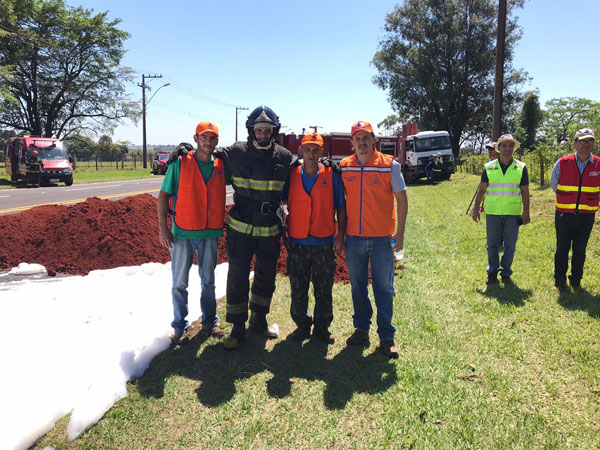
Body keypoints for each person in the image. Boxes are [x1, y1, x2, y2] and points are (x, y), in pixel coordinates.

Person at [215, 106, 297, 350]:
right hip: (240, 231)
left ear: (274, 132)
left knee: (266, 277)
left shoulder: (284, 157)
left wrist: (325, 163)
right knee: (238, 277)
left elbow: (305, 168)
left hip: (269, 232)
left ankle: (259, 320)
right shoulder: (235, 152)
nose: (262, 134)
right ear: (252, 131)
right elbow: (206, 156)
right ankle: (237, 327)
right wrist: (185, 152)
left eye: (267, 130)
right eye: (259, 130)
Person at [157, 121, 230, 346]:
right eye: (204, 137)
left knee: (208, 281)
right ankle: (180, 327)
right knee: (179, 283)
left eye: (212, 138)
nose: (208, 142)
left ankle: (210, 321)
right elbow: (163, 196)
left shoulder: (221, 166)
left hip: (210, 233)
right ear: (196, 138)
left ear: (217, 141)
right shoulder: (179, 164)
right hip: (182, 234)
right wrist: (163, 228)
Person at [340, 120, 408, 359]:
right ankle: (361, 329)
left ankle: (387, 336)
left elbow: (401, 198)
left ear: (373, 140)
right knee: (358, 287)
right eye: (357, 138)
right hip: (354, 239)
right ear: (352, 142)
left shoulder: (390, 165)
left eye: (366, 137)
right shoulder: (344, 166)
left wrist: (399, 234)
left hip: (381, 239)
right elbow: (339, 204)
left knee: (384, 287)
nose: (362, 142)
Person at [282, 132, 347, 344]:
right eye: (307, 150)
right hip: (298, 242)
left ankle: (322, 327)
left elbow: (340, 207)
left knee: (323, 287)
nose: (311, 154)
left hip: (323, 241)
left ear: (322, 152)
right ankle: (301, 326)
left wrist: (341, 235)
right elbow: (280, 201)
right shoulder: (291, 175)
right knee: (298, 286)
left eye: (316, 150)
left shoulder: (332, 174)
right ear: (301, 151)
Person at [471, 134, 530, 284]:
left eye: (510, 145)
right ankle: (492, 273)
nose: (507, 148)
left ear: (514, 148)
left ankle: (506, 273)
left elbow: (525, 191)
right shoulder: (489, 167)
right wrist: (475, 208)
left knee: (510, 245)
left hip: (512, 213)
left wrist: (526, 212)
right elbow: (482, 190)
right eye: (504, 145)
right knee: (492, 245)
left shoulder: (521, 167)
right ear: (499, 148)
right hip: (492, 212)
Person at [550, 128, 600, 291]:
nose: (586, 144)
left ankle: (576, 281)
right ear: (575, 143)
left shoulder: (598, 164)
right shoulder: (563, 162)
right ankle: (559, 281)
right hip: (564, 215)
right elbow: (554, 184)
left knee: (580, 250)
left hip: (587, 216)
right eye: (582, 140)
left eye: (590, 141)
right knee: (562, 248)